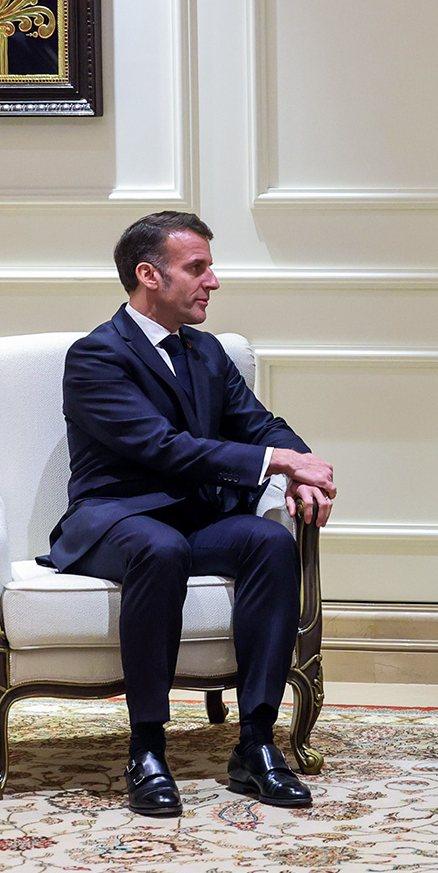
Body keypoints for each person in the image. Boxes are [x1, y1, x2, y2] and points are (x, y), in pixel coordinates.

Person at [45, 211, 338, 816]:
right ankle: (147, 749)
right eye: (197, 267)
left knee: (269, 542)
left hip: (189, 517)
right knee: (160, 547)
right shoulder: (96, 357)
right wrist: (277, 462)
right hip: (114, 519)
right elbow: (161, 447)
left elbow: (262, 425)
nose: (213, 281)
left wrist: (303, 469)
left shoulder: (206, 353)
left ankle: (256, 744)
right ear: (149, 275)